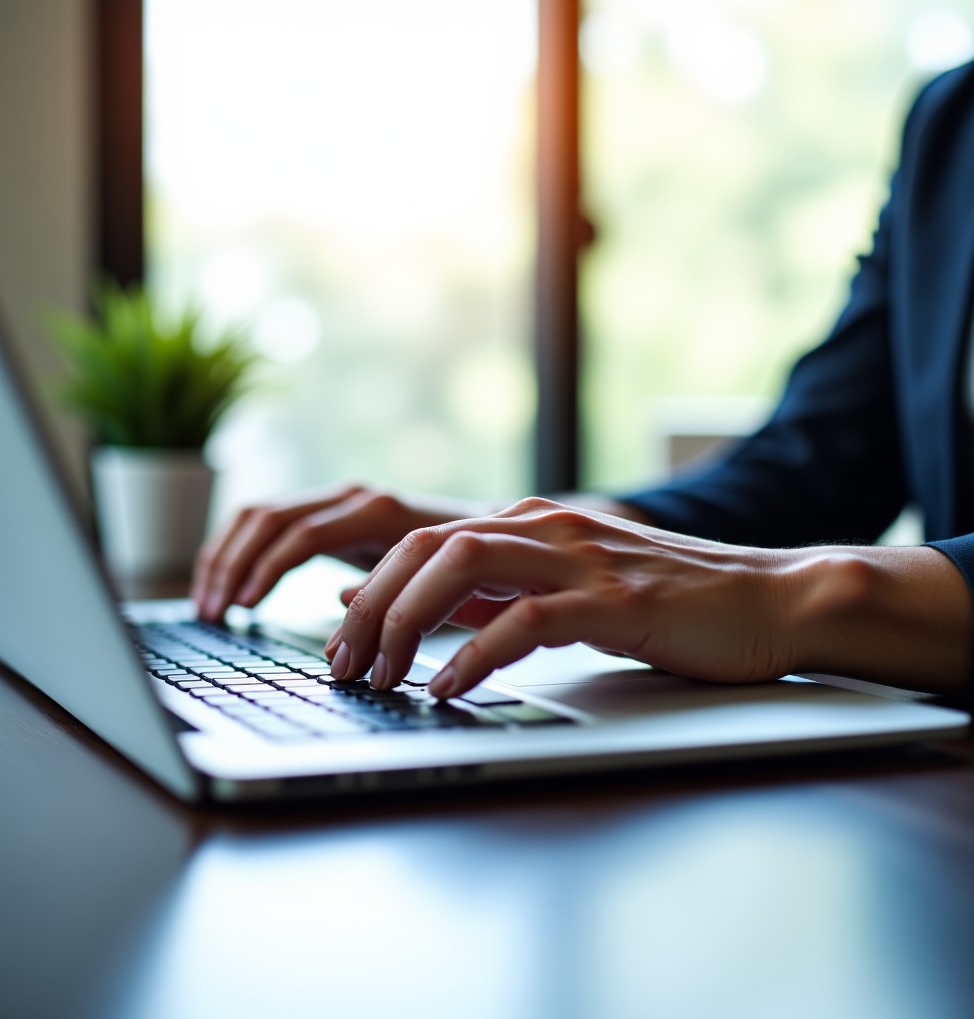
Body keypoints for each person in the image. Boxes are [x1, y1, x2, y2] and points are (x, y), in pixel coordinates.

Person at [193, 61, 974, 705]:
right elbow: (817, 468)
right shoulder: (953, 121)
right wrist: (514, 535)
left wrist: (792, 599)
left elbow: (789, 565)